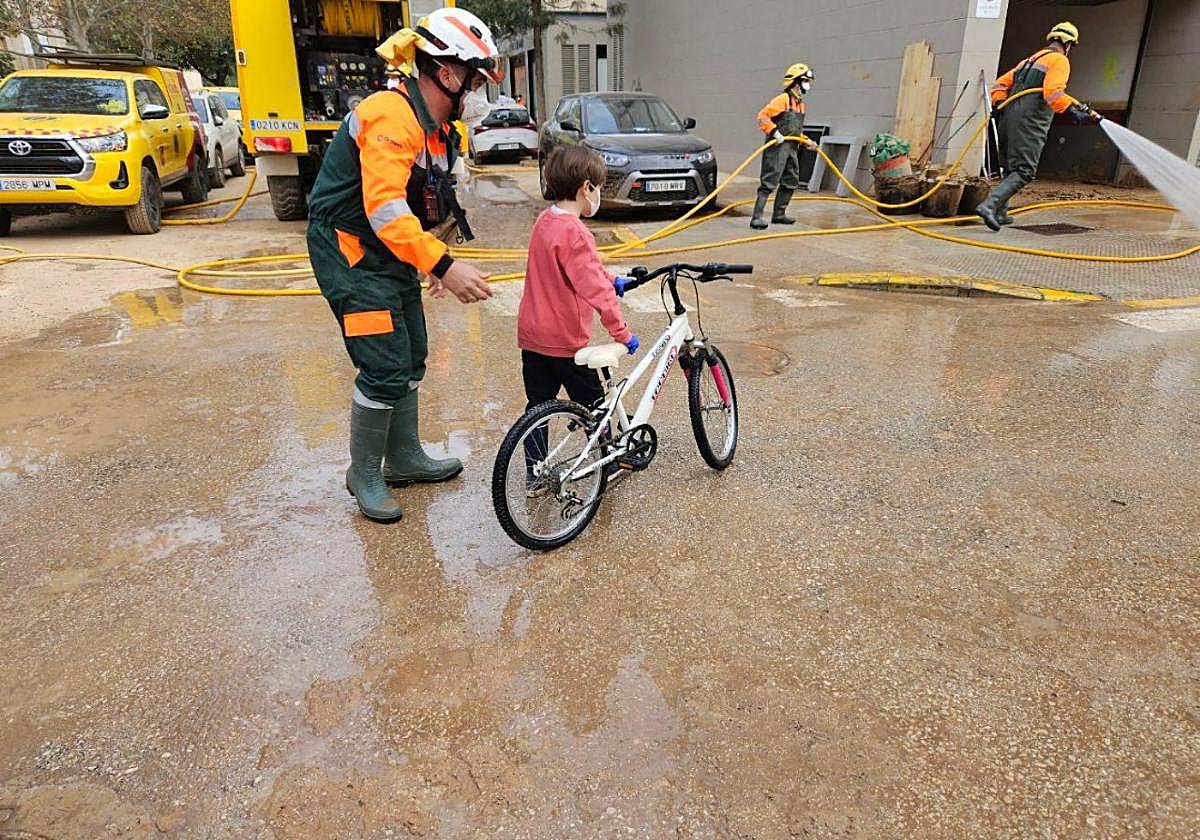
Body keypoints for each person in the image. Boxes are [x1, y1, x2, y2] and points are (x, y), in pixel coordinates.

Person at [306, 7, 501, 523]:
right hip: (349, 249)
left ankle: (404, 457)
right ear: (449, 73)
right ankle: (364, 474)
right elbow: (384, 207)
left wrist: (430, 260)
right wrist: (444, 266)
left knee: (411, 352)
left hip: (387, 249)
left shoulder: (434, 129)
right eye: (477, 81)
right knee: (382, 364)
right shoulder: (392, 116)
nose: (479, 95)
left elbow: (425, 204)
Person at [516, 146, 637, 469]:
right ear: (586, 188)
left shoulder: (545, 222)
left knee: (537, 407)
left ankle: (535, 472)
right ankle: (607, 463)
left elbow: (573, 270)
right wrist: (622, 333)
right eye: (598, 187)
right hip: (565, 341)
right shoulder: (577, 233)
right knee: (595, 404)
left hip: (532, 336)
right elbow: (595, 291)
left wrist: (612, 277)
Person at [977, 21, 1100, 232]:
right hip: (1029, 121)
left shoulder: (1029, 60)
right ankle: (989, 205)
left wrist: (998, 103)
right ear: (1068, 44)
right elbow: (1053, 93)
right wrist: (1071, 112)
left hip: (1008, 118)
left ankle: (1000, 212)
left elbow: (1000, 84)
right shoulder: (1059, 60)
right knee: (1024, 170)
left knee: (1011, 168)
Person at [751, 63, 814, 230]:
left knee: (791, 180)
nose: (807, 85)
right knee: (769, 181)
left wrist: (806, 141)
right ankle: (756, 217)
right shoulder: (783, 100)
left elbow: (795, 131)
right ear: (795, 82)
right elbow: (763, 116)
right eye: (805, 81)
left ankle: (779, 214)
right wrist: (774, 132)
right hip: (777, 147)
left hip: (792, 148)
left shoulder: (800, 104)